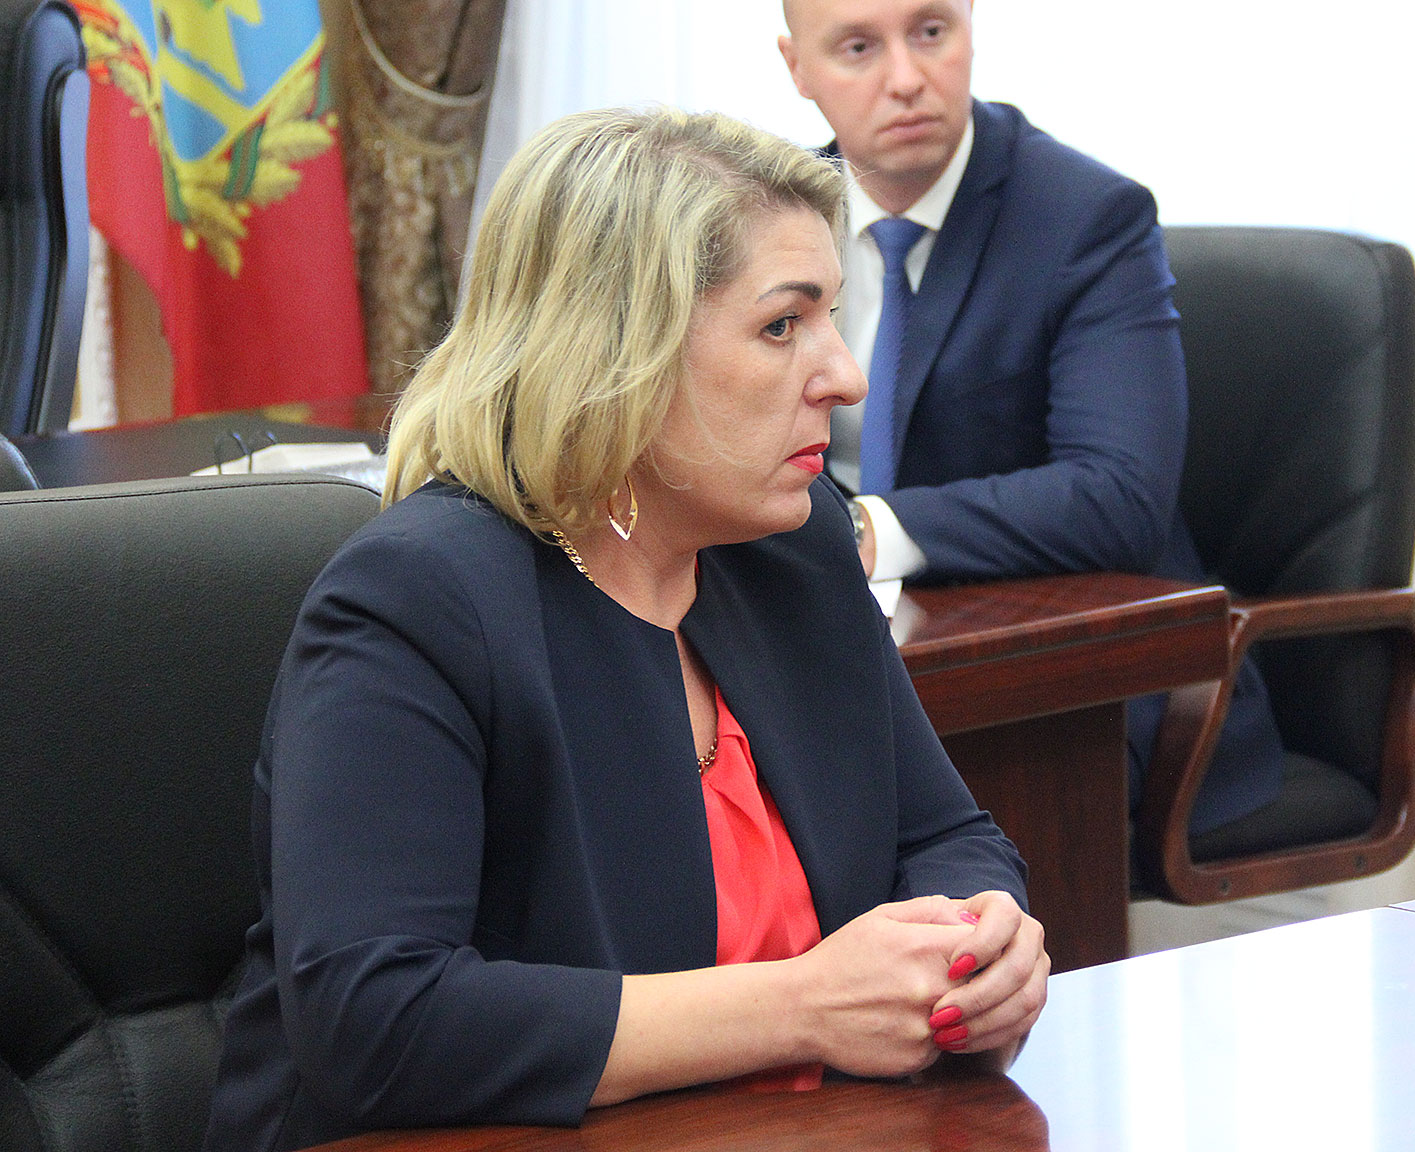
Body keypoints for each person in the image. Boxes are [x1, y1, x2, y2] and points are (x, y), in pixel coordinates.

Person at [200, 106, 1046, 1152]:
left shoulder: (794, 551)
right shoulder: (415, 602)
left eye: (832, 315)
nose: (845, 376)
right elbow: (374, 1020)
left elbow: (943, 837)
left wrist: (976, 946)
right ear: (619, 353)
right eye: (783, 326)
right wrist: (802, 1005)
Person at [778, 0, 1293, 855]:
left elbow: (1118, 496)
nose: (905, 78)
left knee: (921, 848)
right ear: (798, 67)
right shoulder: (773, 220)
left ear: (970, 24)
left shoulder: (1086, 217)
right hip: (843, 645)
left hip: (1073, 673)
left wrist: (867, 530)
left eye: (931, 32)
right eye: (859, 47)